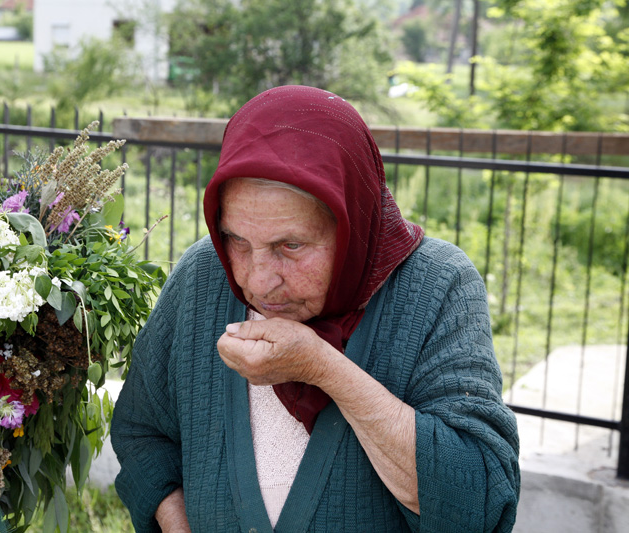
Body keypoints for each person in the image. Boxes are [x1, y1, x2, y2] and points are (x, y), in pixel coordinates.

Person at [111, 85, 520, 532]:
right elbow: (143, 433)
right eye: (237, 240)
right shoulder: (203, 275)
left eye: (290, 245)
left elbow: (478, 500)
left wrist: (323, 367)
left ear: (351, 222)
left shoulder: (437, 286)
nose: (257, 280)